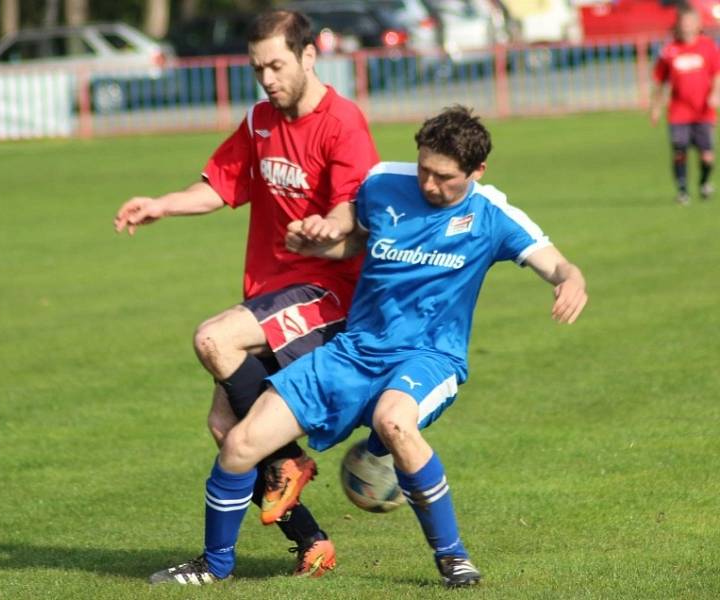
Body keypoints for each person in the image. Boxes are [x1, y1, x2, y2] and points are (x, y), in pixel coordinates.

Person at [158, 105, 588, 587]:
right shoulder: (383, 183)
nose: (428, 184)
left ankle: (453, 558)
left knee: (394, 420)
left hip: (429, 357)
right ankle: (214, 566)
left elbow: (557, 264)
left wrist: (570, 281)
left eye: (443, 177)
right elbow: (359, 243)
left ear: (476, 171)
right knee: (239, 444)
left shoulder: (492, 215)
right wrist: (317, 247)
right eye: (424, 168)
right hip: (353, 352)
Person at [113, 10, 379, 580]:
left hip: (324, 293)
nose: (267, 79)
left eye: (277, 65)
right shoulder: (260, 120)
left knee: (213, 337)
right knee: (228, 432)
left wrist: (329, 227)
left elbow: (353, 210)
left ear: (309, 57)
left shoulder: (343, 122)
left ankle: (223, 555)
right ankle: (310, 541)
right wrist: (161, 203)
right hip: (269, 297)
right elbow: (218, 186)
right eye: (258, 68)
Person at [650, 6, 720, 205]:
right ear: (678, 25)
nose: (687, 27)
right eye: (683, 23)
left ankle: (704, 182)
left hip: (703, 111)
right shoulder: (669, 51)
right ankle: (682, 191)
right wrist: (655, 107)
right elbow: (659, 80)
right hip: (679, 111)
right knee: (679, 150)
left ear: (698, 25)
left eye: (690, 23)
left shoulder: (708, 47)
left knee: (707, 156)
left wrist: (715, 94)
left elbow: (717, 73)